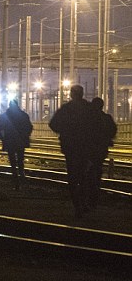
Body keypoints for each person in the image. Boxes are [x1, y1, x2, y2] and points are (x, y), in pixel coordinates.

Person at [49, 85, 104, 217]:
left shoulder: (66, 109)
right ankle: (84, 202)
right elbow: (99, 125)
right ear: (82, 94)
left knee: (73, 177)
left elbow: (53, 124)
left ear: (72, 94)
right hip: (86, 148)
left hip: (70, 148)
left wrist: (65, 131)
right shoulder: (90, 108)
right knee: (84, 176)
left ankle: (77, 205)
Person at [0, 99, 33, 190]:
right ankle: (22, 177)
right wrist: (25, 136)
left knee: (12, 161)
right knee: (20, 160)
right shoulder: (23, 115)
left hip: (10, 141)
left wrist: (2, 137)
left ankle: (15, 179)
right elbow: (29, 127)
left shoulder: (5, 116)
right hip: (20, 141)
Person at [87, 97, 117, 207]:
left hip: (88, 148)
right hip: (101, 149)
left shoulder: (87, 119)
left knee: (87, 170)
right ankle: (95, 191)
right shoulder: (106, 118)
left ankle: (89, 193)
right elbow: (113, 130)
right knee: (97, 168)